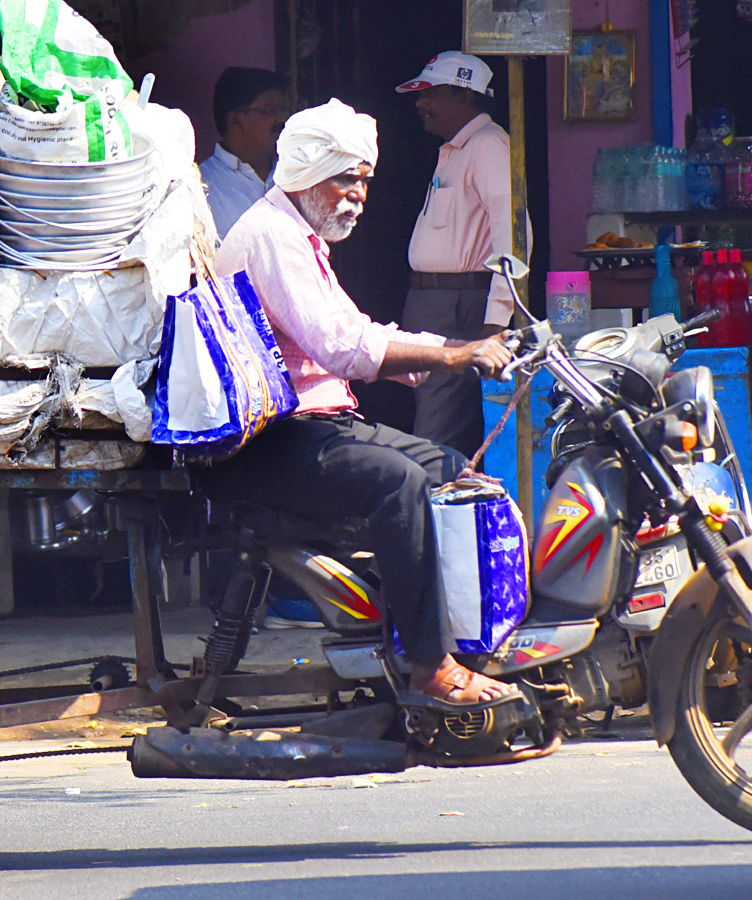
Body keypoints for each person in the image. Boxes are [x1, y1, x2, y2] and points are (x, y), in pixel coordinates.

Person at [201, 99, 517, 705]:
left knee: (456, 473)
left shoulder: (300, 237)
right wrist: (454, 356)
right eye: (347, 178)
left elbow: (353, 331)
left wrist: (448, 349)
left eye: (365, 180)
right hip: (271, 436)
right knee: (397, 482)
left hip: (319, 424)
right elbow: (344, 347)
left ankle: (465, 640)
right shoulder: (272, 238)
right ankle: (428, 665)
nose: (360, 195)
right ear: (308, 174)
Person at [397, 51, 529, 459]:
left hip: (461, 305)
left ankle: (431, 496)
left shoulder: (488, 146)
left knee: (437, 431)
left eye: (431, 93)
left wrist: (496, 318)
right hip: (437, 303)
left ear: (465, 96)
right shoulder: (458, 149)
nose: (420, 103)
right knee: (438, 418)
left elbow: (513, 235)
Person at [198, 67, 289, 239]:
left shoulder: (294, 172)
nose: (282, 118)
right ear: (236, 120)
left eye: (283, 110)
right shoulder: (203, 187)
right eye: (271, 110)